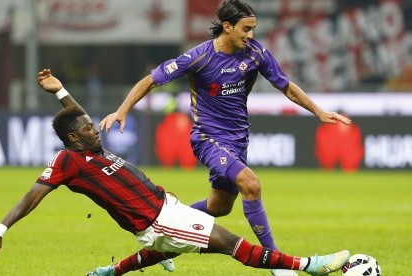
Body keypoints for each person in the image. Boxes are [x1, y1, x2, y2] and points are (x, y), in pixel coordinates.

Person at [0, 69, 350, 276]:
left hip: (165, 208)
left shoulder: (90, 147)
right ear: (73, 138)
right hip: (158, 219)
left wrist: (60, 91)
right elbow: (31, 196)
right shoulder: (69, 162)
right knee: (230, 242)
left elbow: (76, 117)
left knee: (166, 249)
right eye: (87, 127)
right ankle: (309, 266)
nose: (94, 127)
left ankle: (107, 272)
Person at [99, 1, 351, 275]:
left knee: (218, 207)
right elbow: (150, 80)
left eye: (253, 29)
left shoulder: (255, 53)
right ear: (227, 27)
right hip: (208, 138)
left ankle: (162, 242)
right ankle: (278, 263)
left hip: (238, 139)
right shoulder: (199, 57)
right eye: (246, 29)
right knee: (250, 184)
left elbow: (286, 86)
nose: (250, 35)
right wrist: (122, 110)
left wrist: (318, 111)